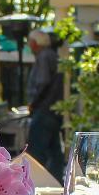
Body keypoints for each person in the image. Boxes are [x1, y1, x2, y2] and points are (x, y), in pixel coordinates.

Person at [26, 28, 64, 180]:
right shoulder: (53, 55)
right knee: (54, 151)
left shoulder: (44, 57)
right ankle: (56, 180)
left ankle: (34, 182)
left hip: (44, 110)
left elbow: (43, 82)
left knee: (36, 152)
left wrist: (33, 104)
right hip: (53, 111)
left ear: (34, 43)